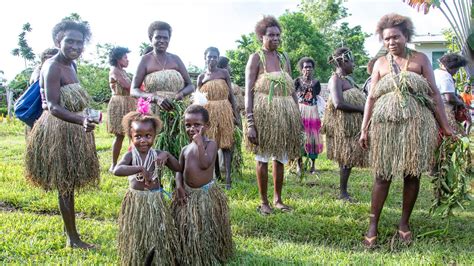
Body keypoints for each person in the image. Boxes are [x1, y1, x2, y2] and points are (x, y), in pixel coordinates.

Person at [359, 13, 453, 247]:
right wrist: (364, 129)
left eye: (395, 37)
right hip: (386, 127)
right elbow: (370, 98)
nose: (391, 42)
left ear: (406, 36)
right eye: (386, 39)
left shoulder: (420, 59)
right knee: (382, 176)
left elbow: (434, 94)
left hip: (416, 126)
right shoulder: (380, 64)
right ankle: (373, 224)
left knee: (412, 174)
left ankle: (404, 223)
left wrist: (446, 126)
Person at [25, 20, 100, 249]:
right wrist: (81, 120)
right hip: (59, 130)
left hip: (73, 128)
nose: (75, 46)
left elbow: (73, 100)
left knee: (69, 184)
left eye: (79, 42)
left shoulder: (72, 65)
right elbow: (54, 106)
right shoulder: (53, 66)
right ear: (59, 41)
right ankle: (72, 239)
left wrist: (88, 115)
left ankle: (73, 235)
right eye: (70, 41)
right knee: (65, 184)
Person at [245, 16, 302, 215]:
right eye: (271, 35)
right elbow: (248, 91)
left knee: (280, 156)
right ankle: (263, 201)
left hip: (284, 114)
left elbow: (291, 89)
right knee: (263, 157)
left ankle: (278, 199)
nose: (275, 38)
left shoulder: (284, 57)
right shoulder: (256, 58)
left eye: (278, 35)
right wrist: (250, 122)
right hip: (263, 115)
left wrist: (296, 114)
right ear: (262, 36)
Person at [113, 103, 182, 265]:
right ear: (131, 136)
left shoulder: (158, 155)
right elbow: (117, 170)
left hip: (155, 201)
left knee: (157, 232)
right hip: (137, 201)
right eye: (138, 136)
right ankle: (138, 256)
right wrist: (139, 168)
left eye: (148, 136)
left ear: (154, 136)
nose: (143, 140)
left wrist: (167, 155)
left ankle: (159, 258)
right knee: (137, 232)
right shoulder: (130, 156)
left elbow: (178, 168)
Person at [172, 105, 233, 265]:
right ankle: (187, 251)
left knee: (202, 227)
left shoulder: (210, 144)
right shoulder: (185, 149)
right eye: (188, 125)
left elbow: (205, 164)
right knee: (188, 226)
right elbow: (178, 169)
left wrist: (199, 144)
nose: (192, 128)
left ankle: (206, 251)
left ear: (207, 126)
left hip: (204, 195)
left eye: (197, 125)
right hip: (187, 194)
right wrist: (179, 186)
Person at [131, 21, 194, 158]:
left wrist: (179, 95)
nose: (161, 41)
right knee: (156, 146)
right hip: (155, 111)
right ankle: (153, 177)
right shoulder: (145, 60)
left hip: (176, 110)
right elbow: (134, 89)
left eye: (165, 38)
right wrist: (155, 98)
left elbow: (190, 85)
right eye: (158, 37)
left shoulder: (176, 59)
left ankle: (178, 177)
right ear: (151, 39)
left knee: (178, 145)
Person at [321, 47, 367, 202]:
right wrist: (361, 109)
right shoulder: (335, 79)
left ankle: (344, 192)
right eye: (352, 62)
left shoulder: (348, 80)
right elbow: (338, 103)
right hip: (342, 128)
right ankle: (343, 193)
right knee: (346, 159)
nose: (354, 65)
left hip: (351, 127)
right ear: (343, 62)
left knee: (349, 159)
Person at [196, 47, 239, 189]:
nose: (212, 59)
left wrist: (235, 114)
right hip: (208, 113)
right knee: (211, 144)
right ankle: (216, 175)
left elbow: (231, 94)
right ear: (205, 58)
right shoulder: (201, 77)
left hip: (224, 110)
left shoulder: (224, 73)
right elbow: (197, 99)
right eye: (209, 57)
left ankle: (227, 179)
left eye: (215, 57)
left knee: (226, 144)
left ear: (218, 57)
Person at [107, 46, 137, 172]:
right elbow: (127, 86)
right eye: (125, 57)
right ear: (118, 59)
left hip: (128, 102)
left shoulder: (123, 71)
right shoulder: (114, 71)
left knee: (133, 133)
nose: (127, 60)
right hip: (119, 104)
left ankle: (134, 160)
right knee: (120, 135)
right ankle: (114, 164)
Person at [294, 57, 323, 176]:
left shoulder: (316, 83)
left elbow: (317, 97)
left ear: (313, 69)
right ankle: (299, 165)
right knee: (300, 137)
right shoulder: (297, 81)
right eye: (305, 67)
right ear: (302, 69)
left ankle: (312, 165)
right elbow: (293, 95)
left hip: (313, 112)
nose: (308, 69)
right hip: (300, 111)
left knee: (313, 138)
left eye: (310, 67)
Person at [434, 53, 468, 135]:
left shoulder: (435, 72)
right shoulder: (446, 76)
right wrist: (461, 103)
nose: (457, 71)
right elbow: (450, 98)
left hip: (435, 111)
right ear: (453, 67)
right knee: (457, 138)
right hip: (445, 114)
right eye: (457, 68)